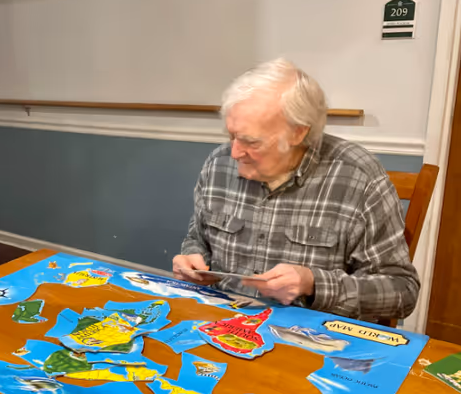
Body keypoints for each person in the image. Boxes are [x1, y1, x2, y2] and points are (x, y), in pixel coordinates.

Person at [172, 58, 419, 321]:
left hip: (311, 335)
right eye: (231, 135)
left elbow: (402, 292)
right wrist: (192, 259)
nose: (234, 152)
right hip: (222, 323)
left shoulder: (358, 176)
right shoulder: (218, 164)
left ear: (298, 133)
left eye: (251, 141)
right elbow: (198, 239)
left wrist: (312, 284)